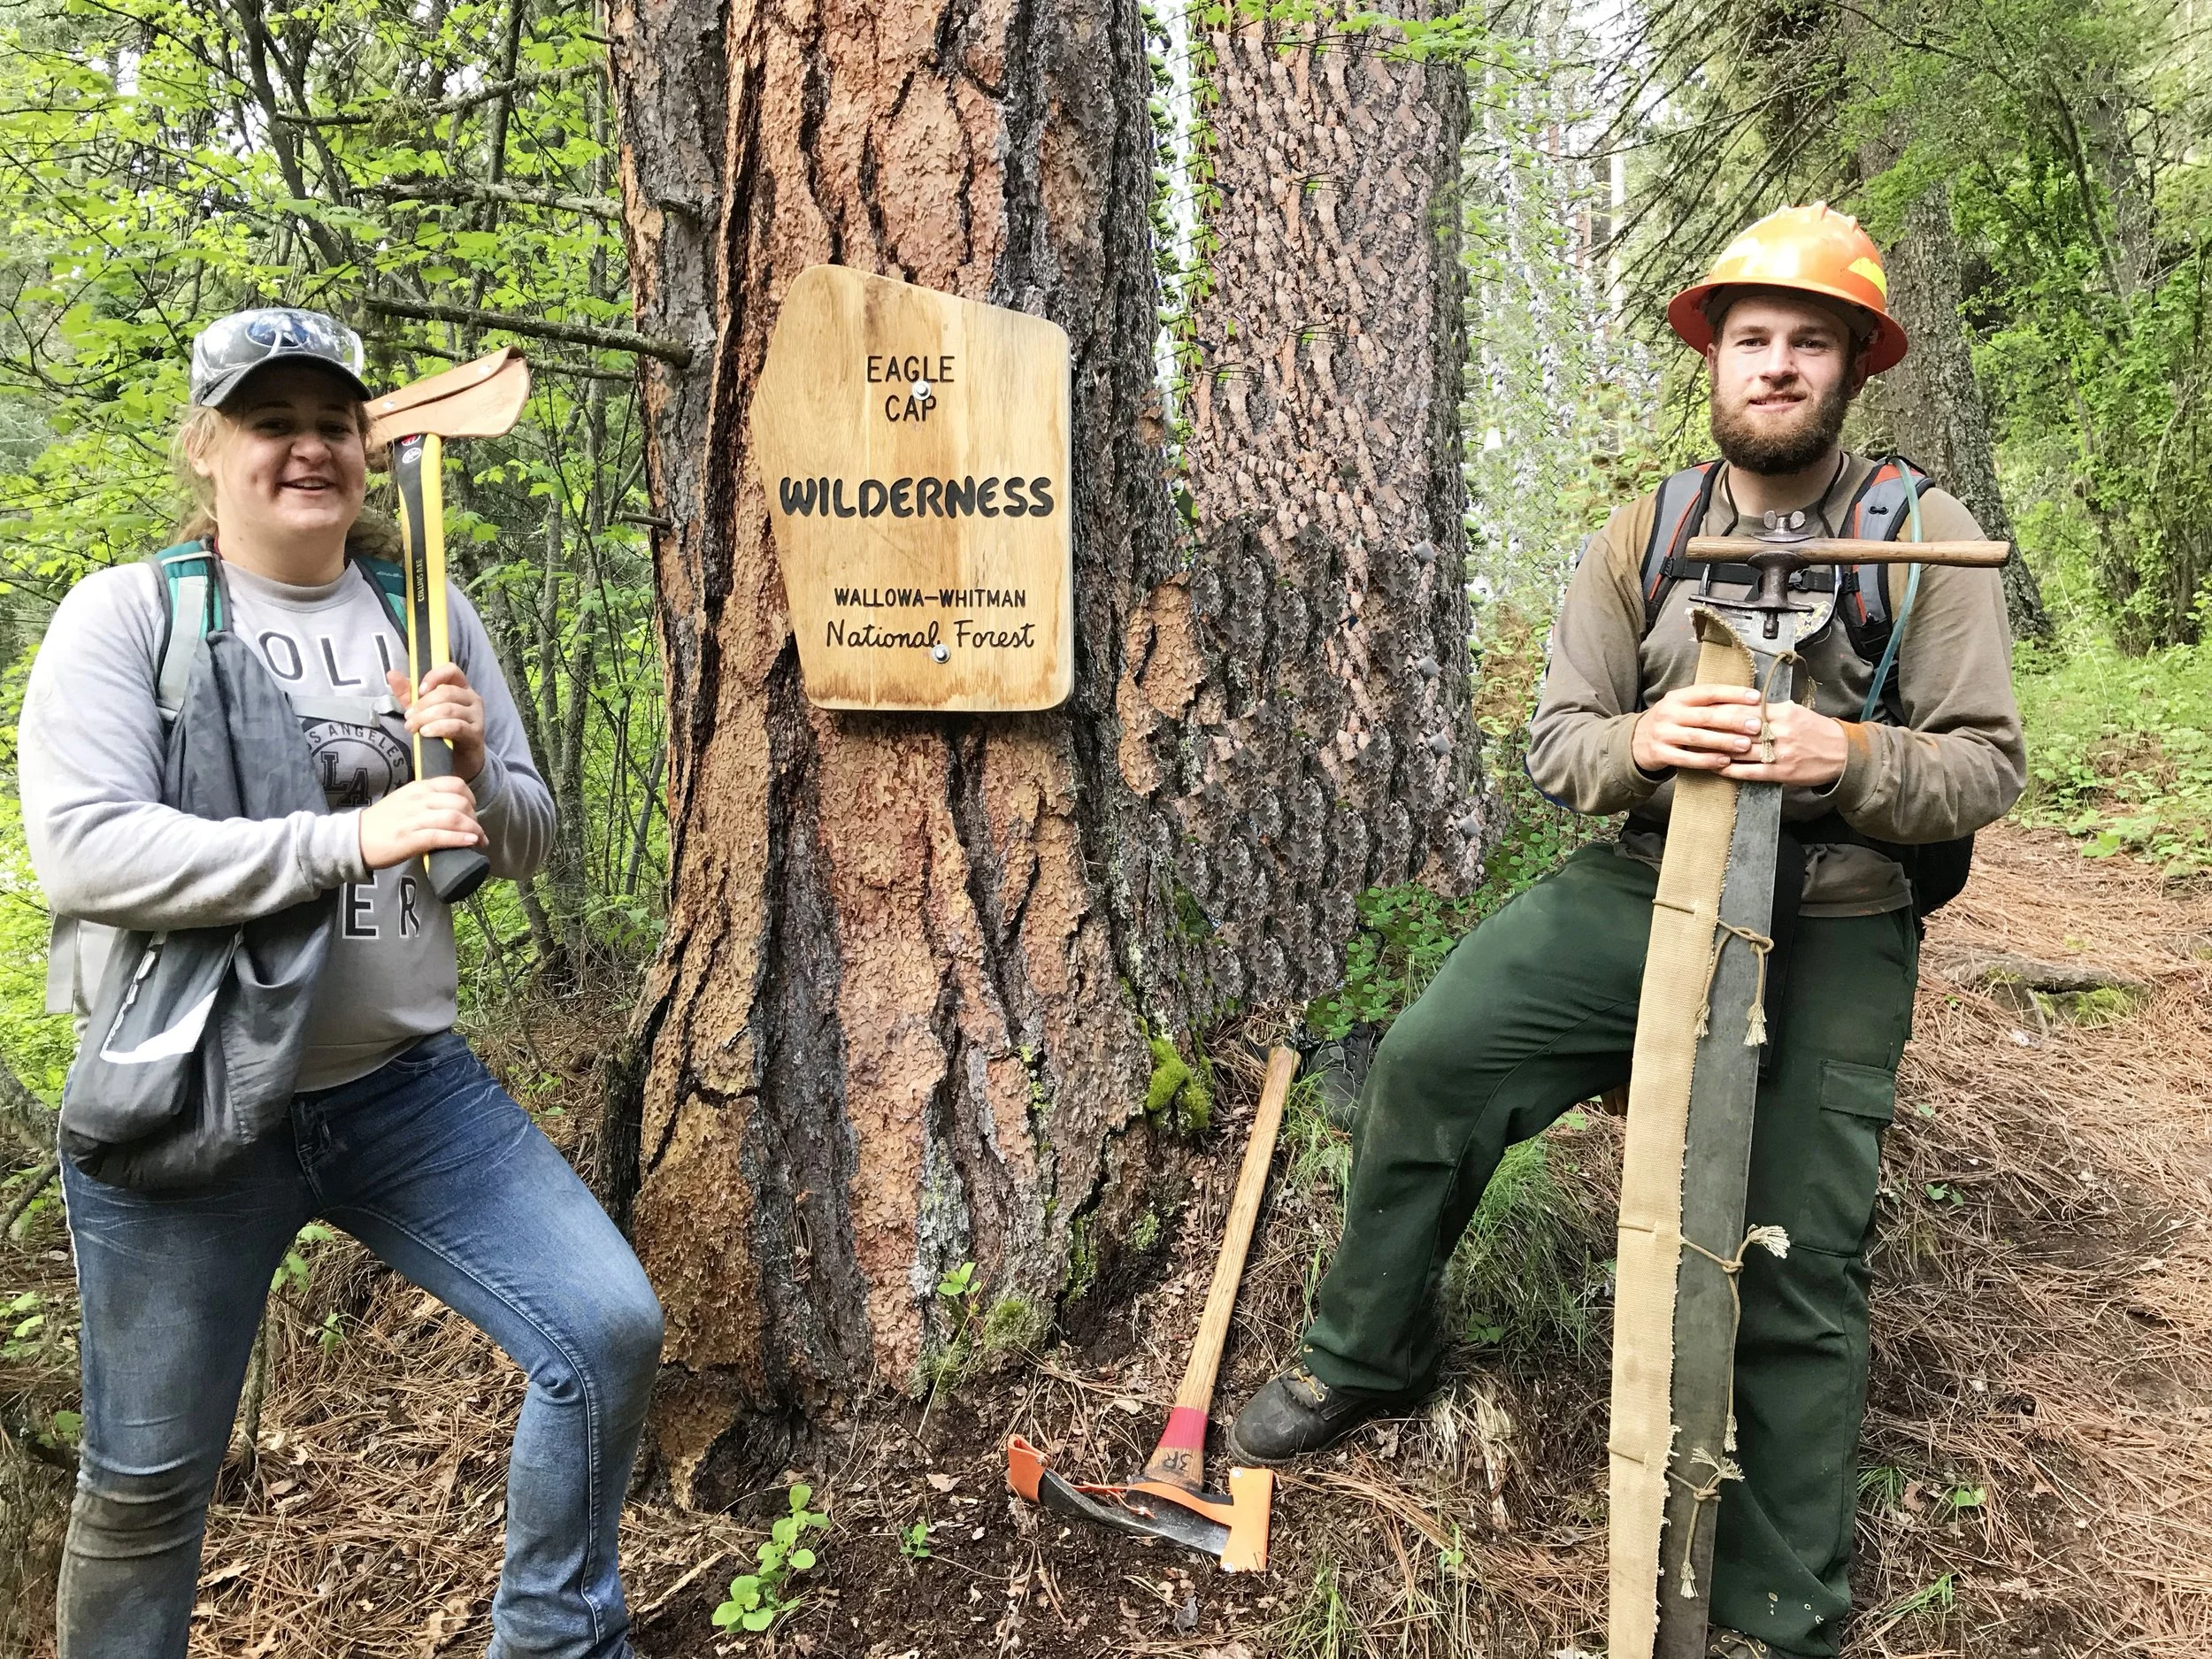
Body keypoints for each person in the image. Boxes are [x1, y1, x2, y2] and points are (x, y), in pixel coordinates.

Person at [1224, 206, 2025, 1658]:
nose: (1776, 366)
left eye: (1810, 343)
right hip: (1647, 879)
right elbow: (1561, 745)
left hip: (1837, 908)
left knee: (1795, 1253)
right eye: (1753, 339)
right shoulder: (1642, 534)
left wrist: (1841, 759)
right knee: (1431, 1059)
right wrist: (1652, 736)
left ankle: (1781, 1606)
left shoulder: (1932, 536)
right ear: (1714, 360)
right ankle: (1369, 1351)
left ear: (1853, 368)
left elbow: (1984, 764)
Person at [19, 308, 664, 1659]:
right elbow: (81, 849)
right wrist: (345, 836)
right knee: (143, 1490)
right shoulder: (132, 614)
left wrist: (476, 771)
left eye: (334, 422)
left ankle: (556, 1641)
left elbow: (530, 830)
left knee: (604, 1331)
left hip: (405, 1091)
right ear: (207, 447)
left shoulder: (423, 607)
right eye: (272, 422)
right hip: (190, 1104)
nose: (309, 447)